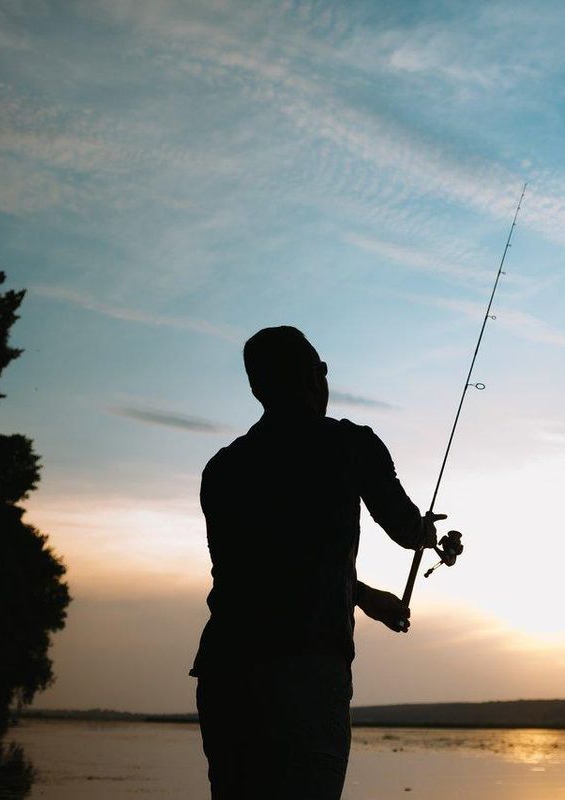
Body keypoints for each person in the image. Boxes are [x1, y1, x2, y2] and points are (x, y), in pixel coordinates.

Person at [190, 326, 445, 799]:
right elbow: (406, 530)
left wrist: (364, 599)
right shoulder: (351, 444)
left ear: (257, 388)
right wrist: (430, 534)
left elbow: (265, 568)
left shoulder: (223, 468)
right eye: (323, 370)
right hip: (306, 669)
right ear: (313, 377)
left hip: (226, 671)